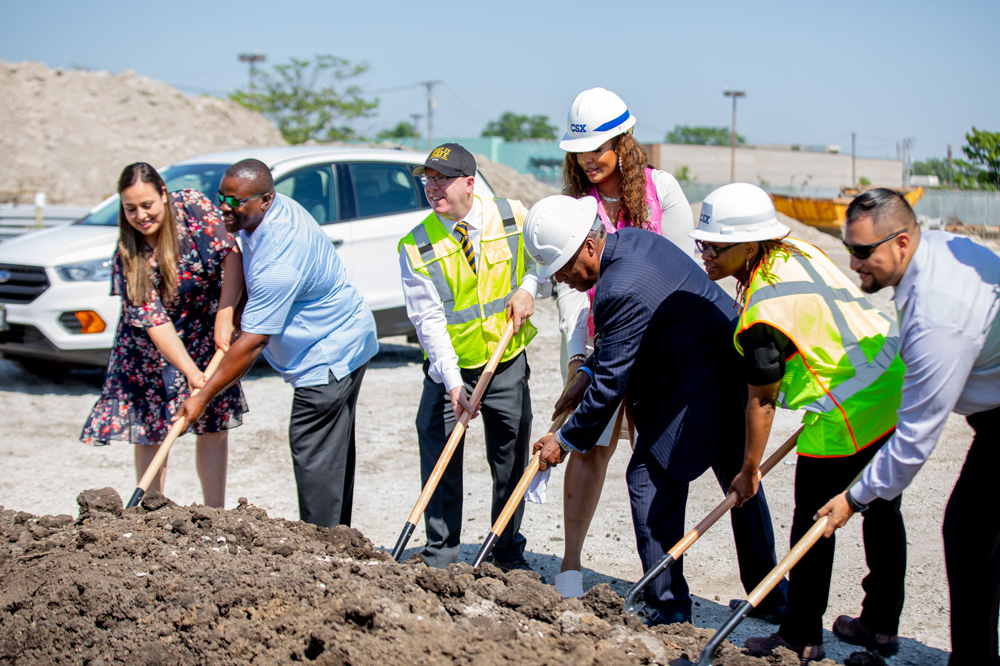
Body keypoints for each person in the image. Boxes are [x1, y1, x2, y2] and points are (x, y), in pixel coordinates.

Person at [526, 194, 787, 626]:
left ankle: (668, 606)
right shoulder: (631, 244)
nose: (565, 281)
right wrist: (587, 373)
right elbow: (618, 346)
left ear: (588, 247)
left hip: (701, 380)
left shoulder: (619, 285)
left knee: (648, 479)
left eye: (565, 269)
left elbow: (614, 381)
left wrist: (565, 440)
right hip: (719, 366)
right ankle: (773, 595)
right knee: (740, 479)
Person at [688, 184, 907, 661]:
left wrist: (749, 470)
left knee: (815, 518)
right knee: (883, 507)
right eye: (703, 243)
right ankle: (881, 625)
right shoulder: (795, 252)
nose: (706, 254)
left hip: (847, 405)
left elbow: (761, 402)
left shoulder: (764, 314)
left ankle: (800, 633)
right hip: (888, 375)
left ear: (750, 246)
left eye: (716, 247)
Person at [815, 188, 1000, 666]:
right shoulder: (929, 252)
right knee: (979, 534)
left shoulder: (940, 314)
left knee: (969, 533)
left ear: (900, 243)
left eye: (862, 252)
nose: (854, 264)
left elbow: (916, 438)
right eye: (849, 248)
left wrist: (853, 499)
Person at [174, 158, 378, 528]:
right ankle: (337, 538)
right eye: (222, 196)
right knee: (330, 450)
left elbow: (254, 342)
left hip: (328, 351)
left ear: (265, 200)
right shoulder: (266, 212)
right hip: (343, 334)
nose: (225, 207)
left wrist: (202, 397)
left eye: (236, 201)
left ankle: (325, 547)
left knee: (313, 449)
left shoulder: (280, 256)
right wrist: (232, 313)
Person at [553, 87, 695, 598]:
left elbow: (683, 270)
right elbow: (569, 291)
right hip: (598, 346)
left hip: (656, 348)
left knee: (651, 457)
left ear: (623, 140)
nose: (588, 160)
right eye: (579, 152)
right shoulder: (574, 208)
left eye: (597, 149)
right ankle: (570, 566)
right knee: (588, 444)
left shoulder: (663, 190)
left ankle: (659, 577)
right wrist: (577, 358)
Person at [398, 143, 541, 571]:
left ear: (470, 183)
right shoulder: (416, 244)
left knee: (510, 456)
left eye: (442, 178)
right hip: (451, 366)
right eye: (428, 179)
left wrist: (528, 288)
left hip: (506, 360)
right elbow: (428, 321)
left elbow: (542, 261)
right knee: (436, 439)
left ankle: (507, 551)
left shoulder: (513, 215)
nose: (433, 187)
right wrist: (453, 382)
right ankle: (442, 552)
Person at [81, 162, 247, 508]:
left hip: (205, 331)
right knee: (151, 430)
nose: (141, 215)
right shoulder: (128, 255)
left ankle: (214, 513)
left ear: (164, 196)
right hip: (148, 350)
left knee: (213, 424)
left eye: (147, 205)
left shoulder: (193, 208)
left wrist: (226, 314)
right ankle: (151, 516)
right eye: (130, 209)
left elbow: (231, 256)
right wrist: (190, 373)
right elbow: (156, 323)